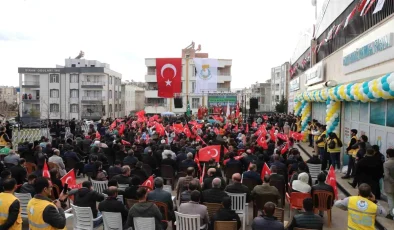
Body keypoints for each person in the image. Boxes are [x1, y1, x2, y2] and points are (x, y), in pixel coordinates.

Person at [384, 148, 394, 219]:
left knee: (390, 199)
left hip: (390, 184)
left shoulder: (387, 163)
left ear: (388, 154)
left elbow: (387, 175)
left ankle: (391, 214)